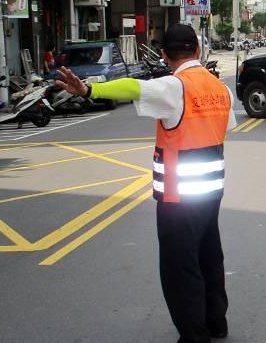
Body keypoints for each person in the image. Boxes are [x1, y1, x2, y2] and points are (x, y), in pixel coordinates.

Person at [56, 24, 236, 343]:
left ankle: (195, 335)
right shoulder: (219, 88)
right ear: (198, 50)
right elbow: (226, 128)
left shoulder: (173, 86)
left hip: (178, 197)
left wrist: (89, 91)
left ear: (165, 55)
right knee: (210, 256)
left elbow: (133, 88)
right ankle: (215, 321)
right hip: (211, 191)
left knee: (180, 268)